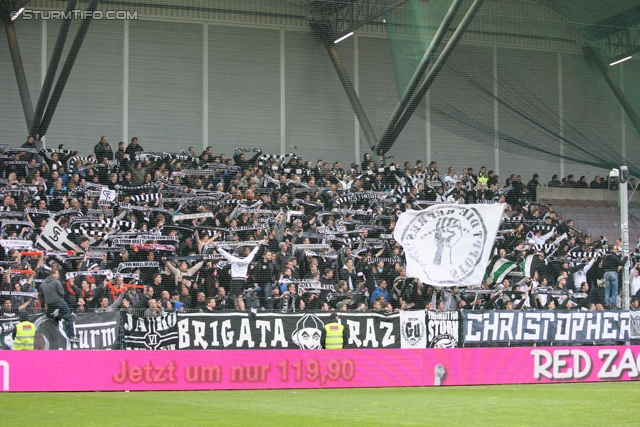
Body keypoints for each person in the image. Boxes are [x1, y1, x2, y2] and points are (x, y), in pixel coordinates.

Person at [212, 239, 267, 311]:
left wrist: (217, 247)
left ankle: (243, 312)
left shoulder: (233, 259)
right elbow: (253, 253)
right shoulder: (247, 260)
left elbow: (224, 253)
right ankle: (237, 310)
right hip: (242, 281)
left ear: (237, 253)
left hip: (235, 281)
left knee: (239, 298)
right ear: (244, 253)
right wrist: (258, 244)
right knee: (236, 297)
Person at [41, 269, 78, 343]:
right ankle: (72, 336)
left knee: (51, 318)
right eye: (57, 273)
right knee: (69, 317)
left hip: (49, 304)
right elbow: (62, 293)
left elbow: (42, 296)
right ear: (53, 274)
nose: (58, 275)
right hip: (59, 302)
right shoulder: (56, 282)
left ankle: (56, 315)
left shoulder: (43, 284)